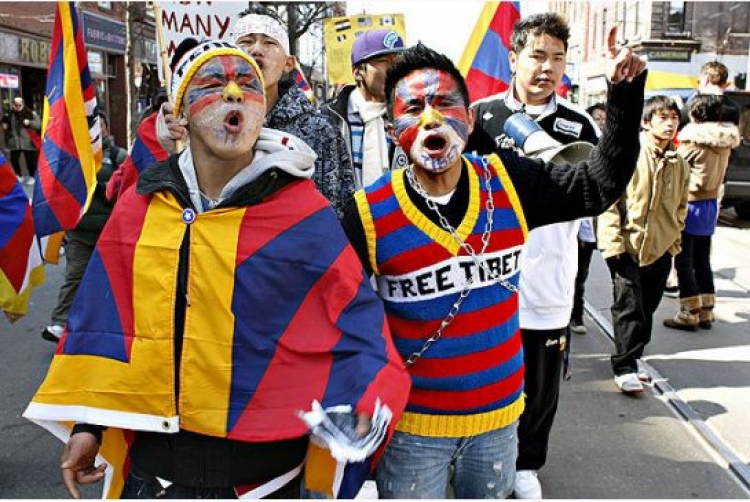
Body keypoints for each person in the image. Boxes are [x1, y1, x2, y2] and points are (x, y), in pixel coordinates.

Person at [25, 40, 410, 499]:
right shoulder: (140, 208)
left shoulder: (303, 213)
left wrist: (368, 397)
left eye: (248, 84)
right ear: (180, 114)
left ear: (261, 110)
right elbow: (108, 327)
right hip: (160, 468)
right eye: (212, 83)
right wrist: (90, 424)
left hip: (266, 473)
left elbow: (356, 323)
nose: (233, 92)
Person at [340, 32, 647, 498]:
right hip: (413, 432)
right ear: (390, 128)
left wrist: (623, 100)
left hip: (499, 426)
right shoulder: (366, 214)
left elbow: (597, 185)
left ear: (468, 118)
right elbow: (333, 315)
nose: (430, 118)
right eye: (412, 108)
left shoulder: (509, 183)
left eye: (445, 103)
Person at [466, 13, 600, 498]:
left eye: (558, 58)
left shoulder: (578, 124)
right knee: (481, 372)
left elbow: (594, 197)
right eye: (538, 55)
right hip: (482, 277)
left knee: (540, 385)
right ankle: (476, 454)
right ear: (514, 57)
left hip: (548, 280)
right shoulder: (478, 116)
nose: (547, 67)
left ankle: (527, 465)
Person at [157, 9, 354, 217]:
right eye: (247, 42)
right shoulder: (205, 124)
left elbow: (338, 210)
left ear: (289, 63)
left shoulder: (319, 130)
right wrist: (181, 146)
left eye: (269, 43)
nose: (257, 50)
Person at [597, 95, 690, 395]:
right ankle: (624, 367)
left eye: (674, 118)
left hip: (660, 250)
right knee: (629, 308)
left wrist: (674, 242)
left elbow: (681, 205)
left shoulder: (679, 162)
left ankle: (634, 358)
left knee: (647, 308)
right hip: (627, 246)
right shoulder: (630, 154)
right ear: (647, 122)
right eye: (662, 117)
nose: (670, 123)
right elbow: (610, 199)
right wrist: (612, 243)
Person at [41, 111, 127, 343]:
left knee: (110, 280)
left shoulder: (118, 156)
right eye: (89, 126)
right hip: (79, 232)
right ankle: (60, 323)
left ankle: (110, 327)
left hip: (109, 233)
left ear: (106, 129)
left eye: (98, 126)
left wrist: (100, 186)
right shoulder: (74, 156)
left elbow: (128, 188)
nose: (94, 131)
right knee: (74, 276)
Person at [663, 95, 739, 331]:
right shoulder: (724, 142)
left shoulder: (692, 142)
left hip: (691, 204)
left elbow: (673, 168)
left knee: (683, 259)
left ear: (694, 114)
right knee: (702, 259)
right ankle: (706, 310)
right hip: (710, 204)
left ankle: (689, 312)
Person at [319, 28, 409, 190]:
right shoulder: (328, 119)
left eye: (399, 62)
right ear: (358, 72)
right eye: (385, 62)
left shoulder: (410, 118)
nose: (396, 70)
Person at [570, 102, 608, 335]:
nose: (601, 122)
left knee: (580, 276)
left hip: (588, 229)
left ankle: (577, 315)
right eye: (597, 118)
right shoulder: (577, 149)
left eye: (605, 118)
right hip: (569, 226)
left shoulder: (602, 153)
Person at [1, 96, 41, 185]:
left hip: (28, 142)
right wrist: (5, 125)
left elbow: (38, 124)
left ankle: (32, 176)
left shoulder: (31, 113)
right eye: (16, 105)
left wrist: (29, 122)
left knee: (30, 161)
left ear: (23, 104)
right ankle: (19, 175)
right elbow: (5, 122)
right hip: (15, 142)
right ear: (13, 105)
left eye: (19, 105)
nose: (18, 106)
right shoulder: (10, 114)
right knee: (14, 159)